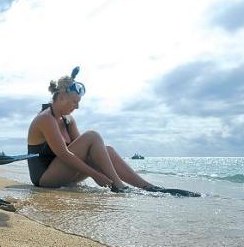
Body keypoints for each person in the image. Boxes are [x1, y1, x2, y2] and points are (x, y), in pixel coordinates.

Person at [27, 67, 156, 193]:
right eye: (74, 102)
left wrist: (101, 166)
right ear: (61, 98)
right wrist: (95, 175)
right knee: (92, 136)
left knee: (108, 150)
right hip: (44, 178)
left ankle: (147, 186)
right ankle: (119, 186)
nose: (77, 107)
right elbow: (64, 154)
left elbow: (85, 151)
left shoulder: (68, 120)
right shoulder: (46, 119)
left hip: (62, 174)